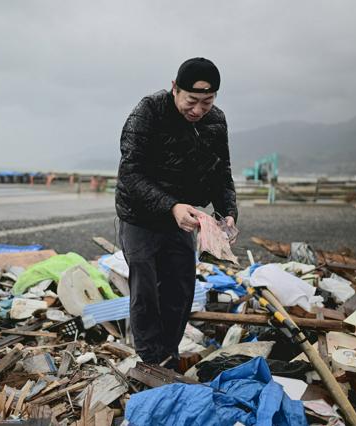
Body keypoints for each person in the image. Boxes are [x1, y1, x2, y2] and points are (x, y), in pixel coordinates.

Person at [115, 57, 237, 366]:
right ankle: (149, 358)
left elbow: (221, 174)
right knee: (145, 288)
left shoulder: (215, 122)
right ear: (174, 88)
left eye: (207, 102)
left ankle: (168, 354)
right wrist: (170, 206)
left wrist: (227, 213)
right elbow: (131, 173)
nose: (197, 110)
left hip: (182, 218)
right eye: (191, 101)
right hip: (140, 214)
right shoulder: (148, 112)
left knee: (181, 289)